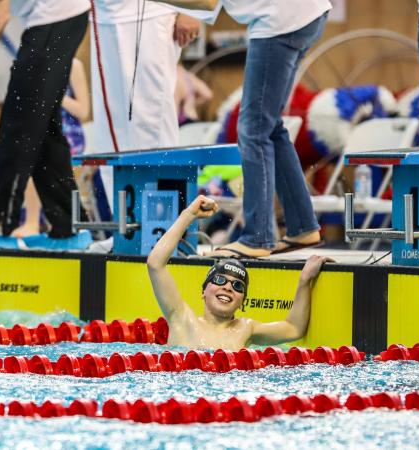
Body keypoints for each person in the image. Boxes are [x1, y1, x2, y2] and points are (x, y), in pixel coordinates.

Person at [150, 0, 330, 258]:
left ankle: (258, 237)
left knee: (253, 130)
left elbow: (207, 2)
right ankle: (302, 226)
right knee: (269, 126)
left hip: (281, 21)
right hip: (304, 14)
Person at [0, 0, 93, 251]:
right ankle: (70, 228)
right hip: (62, 19)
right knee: (43, 134)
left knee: (18, 126)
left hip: (54, 21)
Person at [147, 195, 333, 350]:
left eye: (237, 286)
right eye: (220, 280)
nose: (228, 287)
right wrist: (188, 215)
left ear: (242, 302)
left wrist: (304, 280)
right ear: (203, 291)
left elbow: (293, 329)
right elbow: (155, 263)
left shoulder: (246, 328)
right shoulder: (181, 318)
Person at [89, 2, 202, 207]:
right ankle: (125, 230)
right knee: (110, 131)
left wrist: (190, 9)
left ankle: (164, 225)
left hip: (152, 13)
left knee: (151, 124)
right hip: (103, 16)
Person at [13, 58, 91, 238]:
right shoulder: (35, 64)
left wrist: (54, 94)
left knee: (39, 155)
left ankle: (32, 222)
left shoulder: (73, 65)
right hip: (43, 130)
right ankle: (33, 220)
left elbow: (83, 111)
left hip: (68, 134)